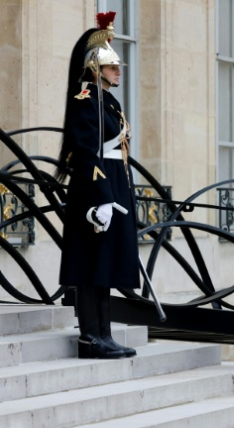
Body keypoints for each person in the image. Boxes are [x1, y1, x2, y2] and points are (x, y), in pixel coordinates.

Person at [56, 12, 138, 360]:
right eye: (111, 66)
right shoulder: (86, 98)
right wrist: (102, 197)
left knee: (105, 264)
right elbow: (87, 152)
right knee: (91, 264)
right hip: (94, 190)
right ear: (95, 67)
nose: (118, 70)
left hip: (114, 186)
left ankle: (104, 332)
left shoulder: (110, 100)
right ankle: (90, 336)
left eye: (117, 66)